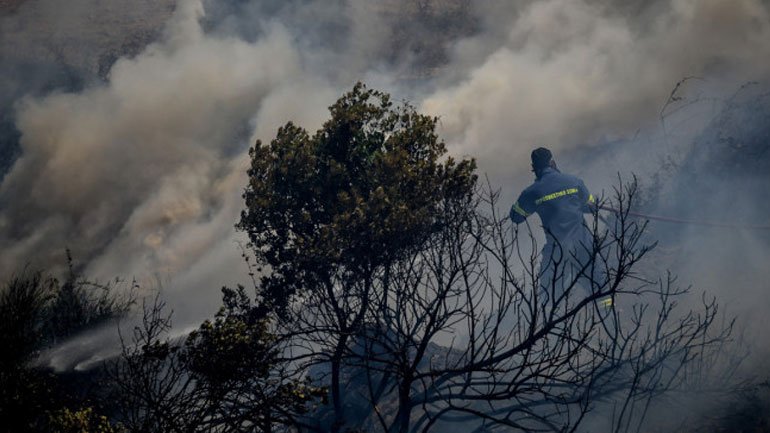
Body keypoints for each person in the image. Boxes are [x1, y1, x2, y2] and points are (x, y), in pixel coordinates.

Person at [510, 147, 605, 305]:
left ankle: (553, 319)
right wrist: (574, 204)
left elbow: (516, 217)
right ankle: (608, 314)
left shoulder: (532, 192)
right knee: (600, 289)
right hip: (584, 246)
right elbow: (591, 206)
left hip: (557, 251)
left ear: (534, 168)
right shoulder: (574, 182)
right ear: (552, 163)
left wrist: (531, 204)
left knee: (549, 297)